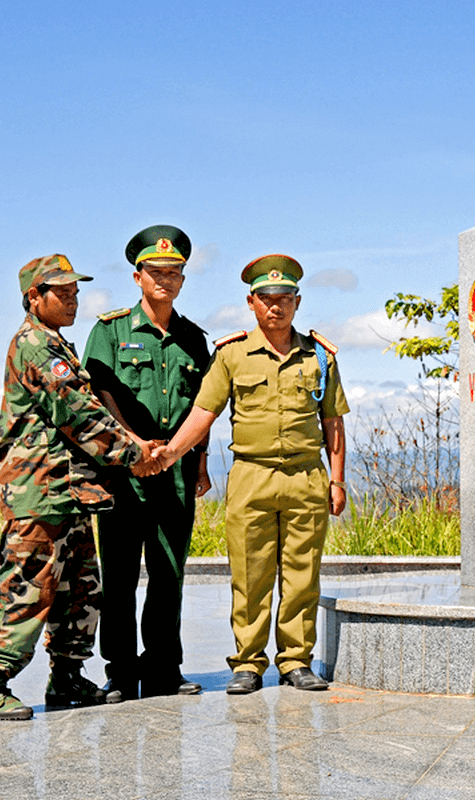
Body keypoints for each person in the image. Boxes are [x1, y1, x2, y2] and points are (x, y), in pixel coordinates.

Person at [0, 254, 158, 720]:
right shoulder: (36, 346)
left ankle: (67, 675)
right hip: (38, 491)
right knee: (27, 586)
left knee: (80, 590)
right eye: (63, 293)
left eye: (76, 292)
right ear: (34, 297)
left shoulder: (56, 344)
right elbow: (79, 415)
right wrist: (136, 456)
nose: (73, 300)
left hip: (71, 492)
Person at [155, 254, 349, 694]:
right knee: (250, 574)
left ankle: (297, 661)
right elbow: (204, 413)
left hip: (305, 477)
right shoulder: (232, 355)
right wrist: (169, 453)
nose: (275, 307)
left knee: (303, 575)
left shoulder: (318, 356)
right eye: (266, 298)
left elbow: (333, 422)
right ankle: (247, 663)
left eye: (284, 298)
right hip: (251, 477)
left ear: (297, 302)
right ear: (251, 302)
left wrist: (337, 481)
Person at [82, 225, 211, 702]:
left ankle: (163, 666)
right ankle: (120, 669)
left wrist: (196, 462)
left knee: (169, 572)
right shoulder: (110, 330)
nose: (165, 280)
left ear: (182, 279)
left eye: (174, 273)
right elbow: (100, 393)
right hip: (123, 472)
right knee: (118, 575)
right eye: (156, 272)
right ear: (138, 276)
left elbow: (204, 404)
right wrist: (134, 445)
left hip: (174, 471)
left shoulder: (194, 338)